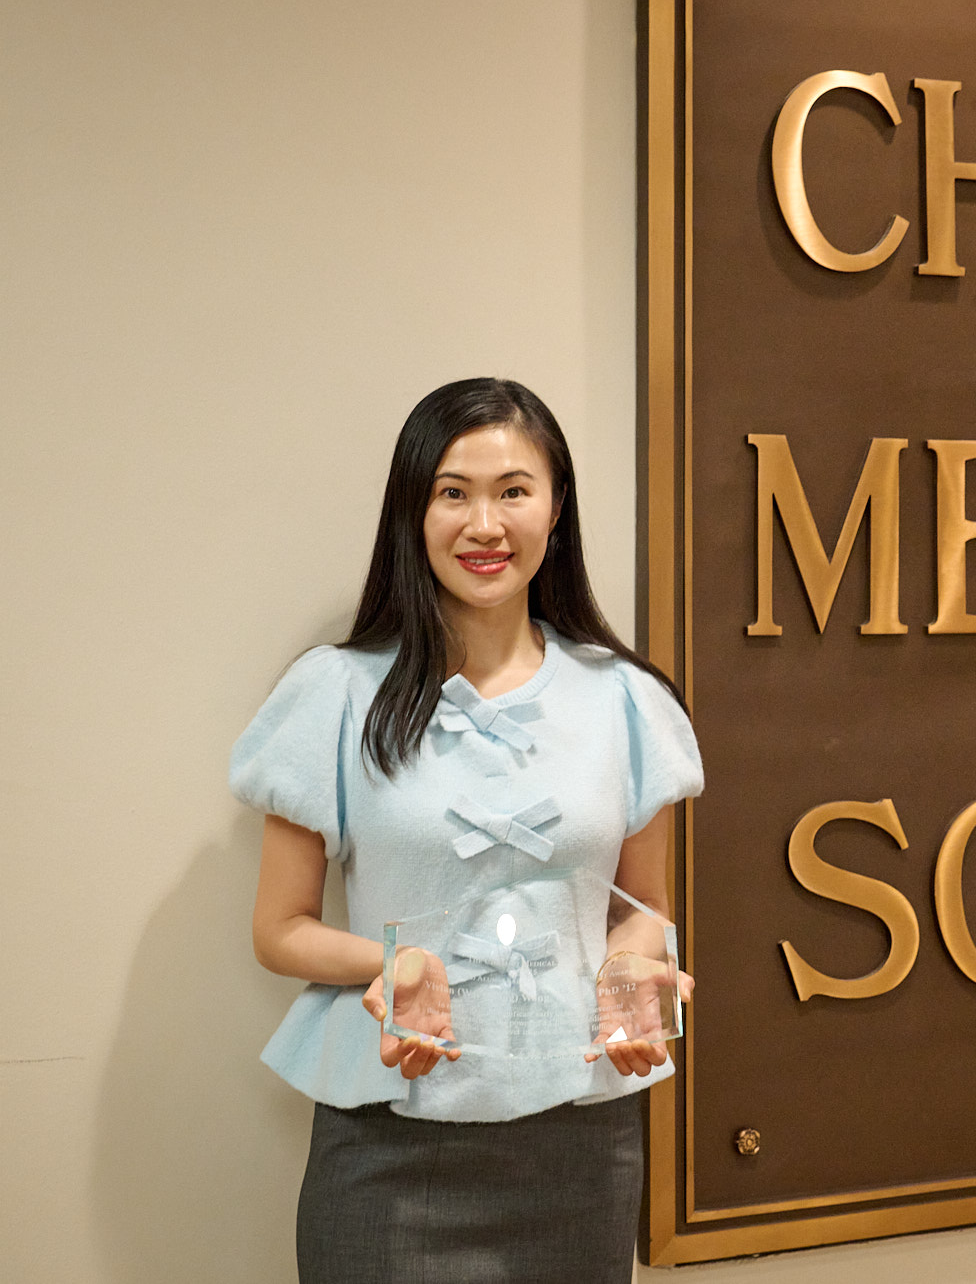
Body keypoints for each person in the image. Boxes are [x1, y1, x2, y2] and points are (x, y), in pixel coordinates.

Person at [233, 378, 701, 1283]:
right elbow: (277, 928)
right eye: (454, 492)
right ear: (412, 512)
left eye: (513, 491)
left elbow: (643, 907)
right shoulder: (334, 693)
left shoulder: (625, 699)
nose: (485, 524)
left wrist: (634, 969)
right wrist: (389, 963)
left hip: (580, 1137)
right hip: (391, 1135)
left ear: (555, 511)